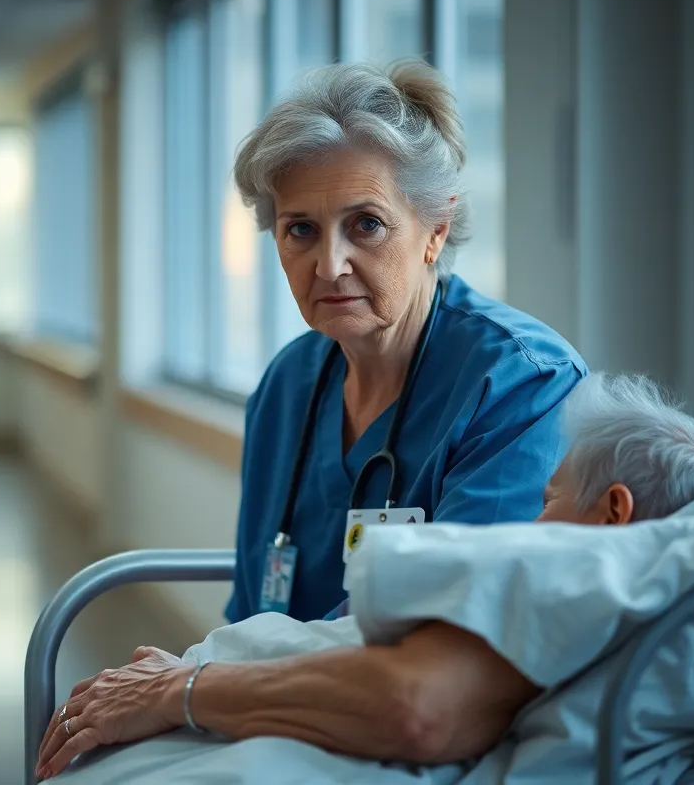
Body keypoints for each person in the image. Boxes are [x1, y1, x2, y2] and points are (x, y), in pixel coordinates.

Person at [35, 373, 694, 780]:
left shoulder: (590, 590)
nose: (529, 525)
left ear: (615, 513)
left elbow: (418, 706)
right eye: (297, 227)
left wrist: (185, 690)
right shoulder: (638, 594)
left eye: (548, 502)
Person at [223, 60, 586, 625]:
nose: (329, 264)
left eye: (366, 224)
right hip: (272, 700)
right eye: (300, 229)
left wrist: (195, 685)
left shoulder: (522, 383)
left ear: (435, 231)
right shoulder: (285, 386)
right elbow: (249, 609)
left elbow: (449, 639)